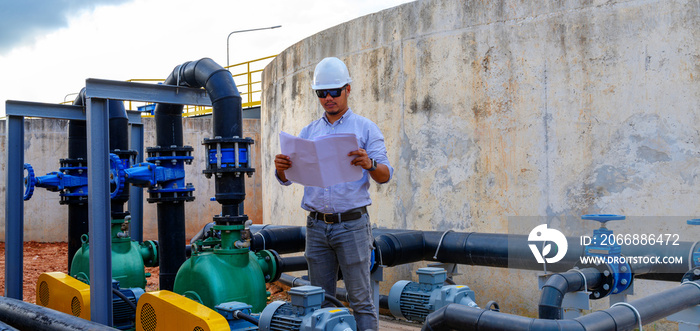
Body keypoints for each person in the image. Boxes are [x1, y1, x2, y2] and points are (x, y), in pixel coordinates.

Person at [274, 57, 393, 331]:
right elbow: (288, 179)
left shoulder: (365, 129)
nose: (328, 98)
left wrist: (370, 164)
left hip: (351, 225)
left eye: (334, 91)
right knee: (319, 300)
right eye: (321, 93)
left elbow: (385, 175)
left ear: (347, 89)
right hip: (316, 227)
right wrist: (281, 171)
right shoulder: (308, 132)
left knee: (361, 299)